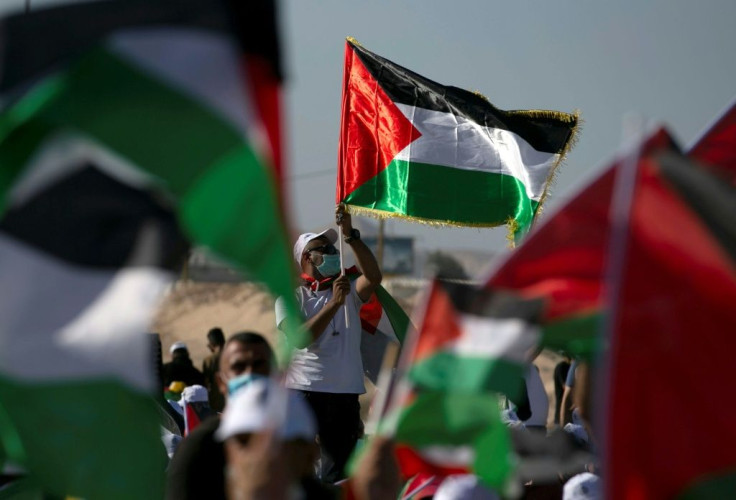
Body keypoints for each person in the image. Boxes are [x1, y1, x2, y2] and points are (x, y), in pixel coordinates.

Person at [275, 204, 382, 483]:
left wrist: (350, 236)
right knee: (297, 471)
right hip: (303, 393)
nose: (334, 254)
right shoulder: (291, 299)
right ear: (309, 258)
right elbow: (301, 338)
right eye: (326, 249)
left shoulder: (348, 290)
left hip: (345, 394)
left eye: (335, 249)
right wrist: (333, 304)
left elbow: (373, 277)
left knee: (338, 474)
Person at [165, 332, 275, 500]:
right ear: (221, 383)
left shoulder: (291, 437)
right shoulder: (197, 448)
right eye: (239, 367)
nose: (250, 374)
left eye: (259, 365)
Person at [202, 327, 226, 412]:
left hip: (216, 404)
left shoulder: (209, 360)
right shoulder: (233, 356)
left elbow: (205, 383)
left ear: (211, 343)